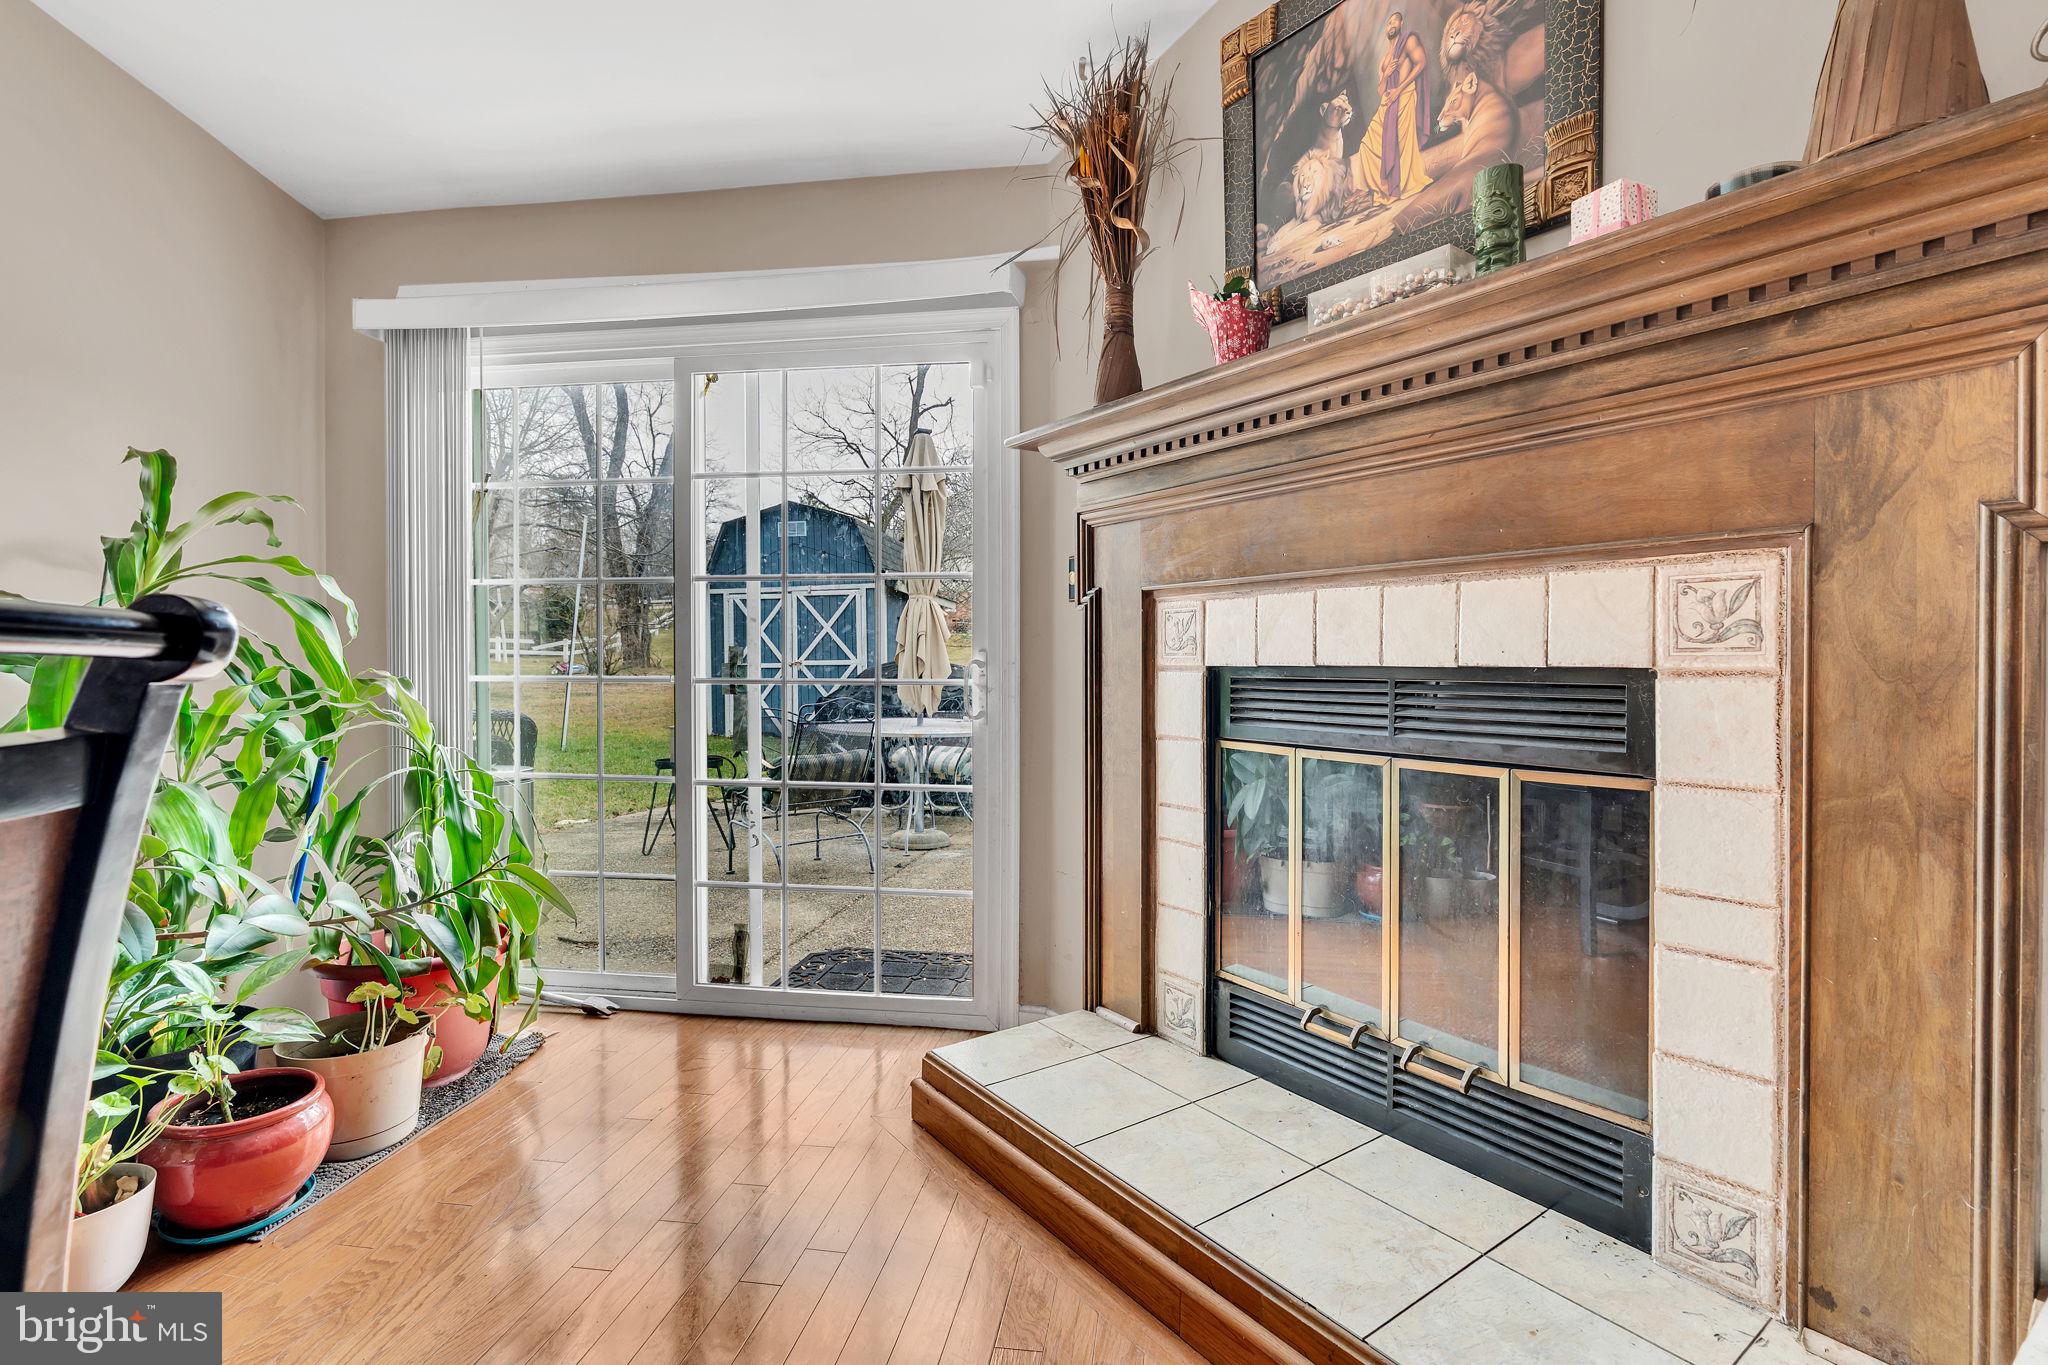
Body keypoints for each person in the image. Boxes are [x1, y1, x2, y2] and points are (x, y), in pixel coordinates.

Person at [1354, 9, 1435, 204]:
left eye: (1394, 22)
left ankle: (1407, 184)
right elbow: (1381, 90)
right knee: (1367, 145)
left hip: (1404, 96)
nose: (1391, 26)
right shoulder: (1384, 59)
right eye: (1388, 23)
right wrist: (1388, 73)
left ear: (1401, 24)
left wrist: (1399, 88)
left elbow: (1421, 62)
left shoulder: (1408, 41)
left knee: (1403, 142)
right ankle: (1383, 188)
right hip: (1386, 103)